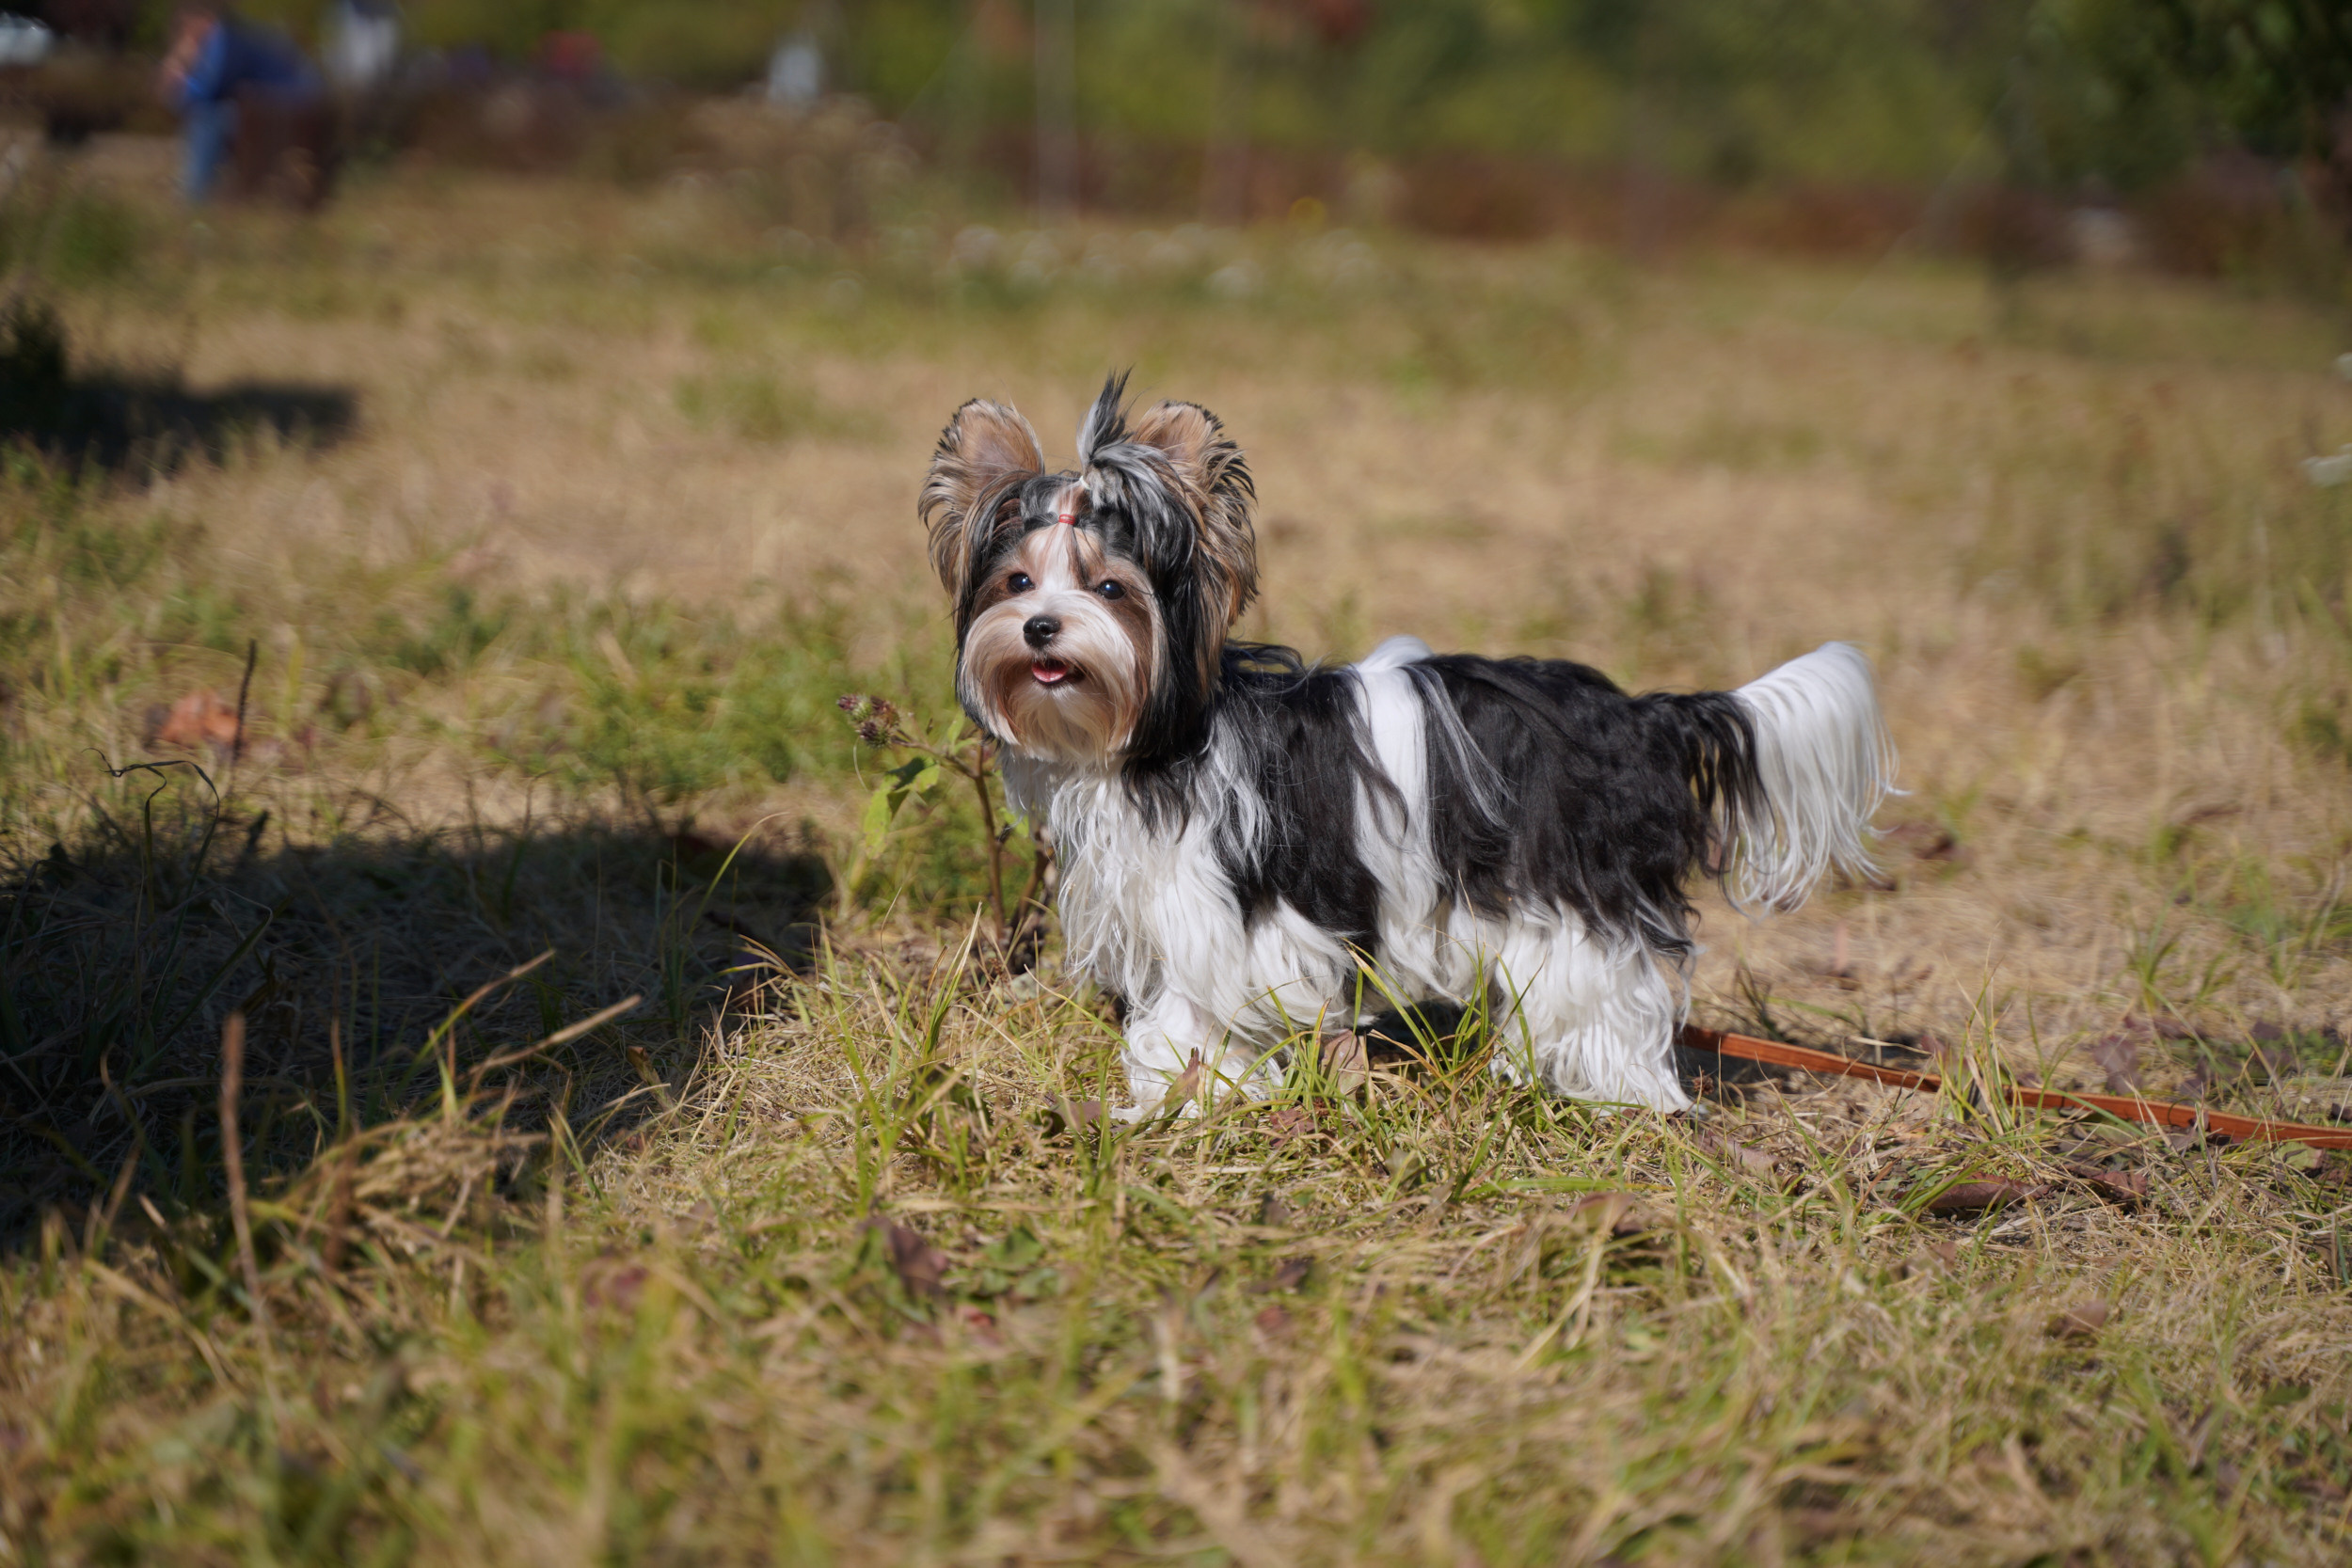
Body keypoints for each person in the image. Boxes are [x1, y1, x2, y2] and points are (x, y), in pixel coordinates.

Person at [157, 5, 323, 202]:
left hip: (291, 106)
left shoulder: (227, 41)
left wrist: (183, 69)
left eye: (186, 25)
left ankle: (195, 195)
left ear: (204, 20)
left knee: (209, 117)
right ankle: (207, 192)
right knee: (214, 115)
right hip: (279, 107)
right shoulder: (228, 38)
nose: (184, 31)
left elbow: (211, 91)